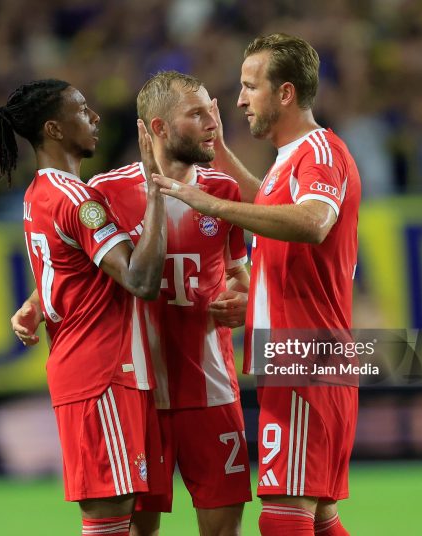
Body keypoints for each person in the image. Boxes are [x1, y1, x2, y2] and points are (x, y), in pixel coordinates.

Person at [13, 71, 253, 536]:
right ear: (159, 127)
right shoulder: (105, 192)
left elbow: (239, 274)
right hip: (142, 392)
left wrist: (246, 301)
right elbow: (78, 263)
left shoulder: (223, 193)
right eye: (198, 114)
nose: (213, 125)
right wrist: (37, 302)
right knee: (137, 528)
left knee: (224, 529)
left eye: (213, 112)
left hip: (212, 385)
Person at [152, 34, 361, 536]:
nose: (240, 100)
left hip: (307, 356)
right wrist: (220, 150)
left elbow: (312, 222)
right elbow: (269, 209)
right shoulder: (288, 162)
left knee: (282, 518)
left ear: (285, 94)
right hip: (297, 354)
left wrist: (209, 203)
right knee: (320, 517)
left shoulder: (321, 151)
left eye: (250, 87)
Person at [0, 79, 167, 536]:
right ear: (54, 128)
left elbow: (65, 274)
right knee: (108, 516)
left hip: (92, 369)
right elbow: (141, 281)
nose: (96, 118)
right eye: (83, 110)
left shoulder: (39, 195)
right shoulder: (79, 200)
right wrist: (158, 192)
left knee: (129, 518)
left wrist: (36, 305)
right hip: (101, 372)